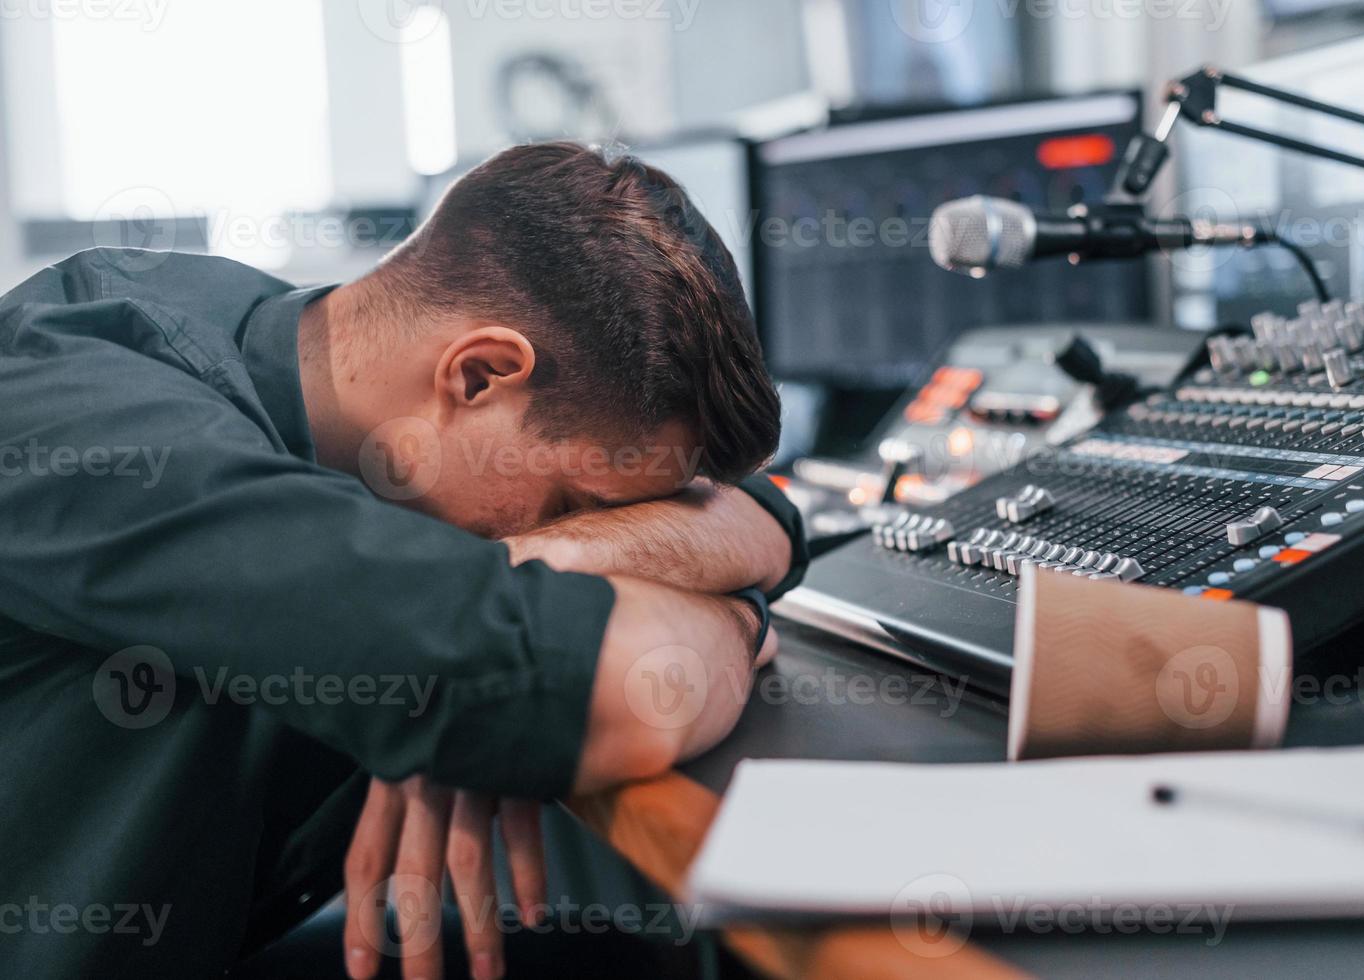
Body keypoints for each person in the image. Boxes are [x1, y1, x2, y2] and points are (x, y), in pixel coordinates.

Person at [0, 141, 807, 979]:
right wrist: (742, 614)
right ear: (480, 375)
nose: (618, 538)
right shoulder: (100, 425)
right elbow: (620, 689)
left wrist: (550, 556)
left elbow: (764, 514)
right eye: (578, 503)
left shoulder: (324, 353)